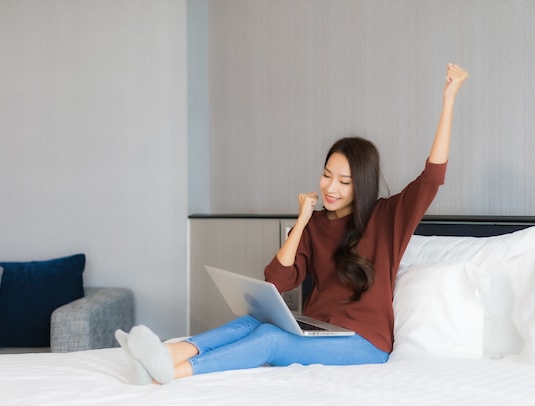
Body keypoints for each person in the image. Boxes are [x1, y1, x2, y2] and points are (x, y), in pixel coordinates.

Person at [115, 63, 469, 385]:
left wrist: (448, 100)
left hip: (365, 344)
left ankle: (171, 374)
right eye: (327, 175)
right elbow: (277, 280)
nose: (330, 187)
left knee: (269, 339)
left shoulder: (387, 218)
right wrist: (301, 222)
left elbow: (432, 177)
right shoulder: (314, 225)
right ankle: (166, 354)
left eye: (343, 182)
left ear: (361, 185)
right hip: (317, 330)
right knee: (253, 323)